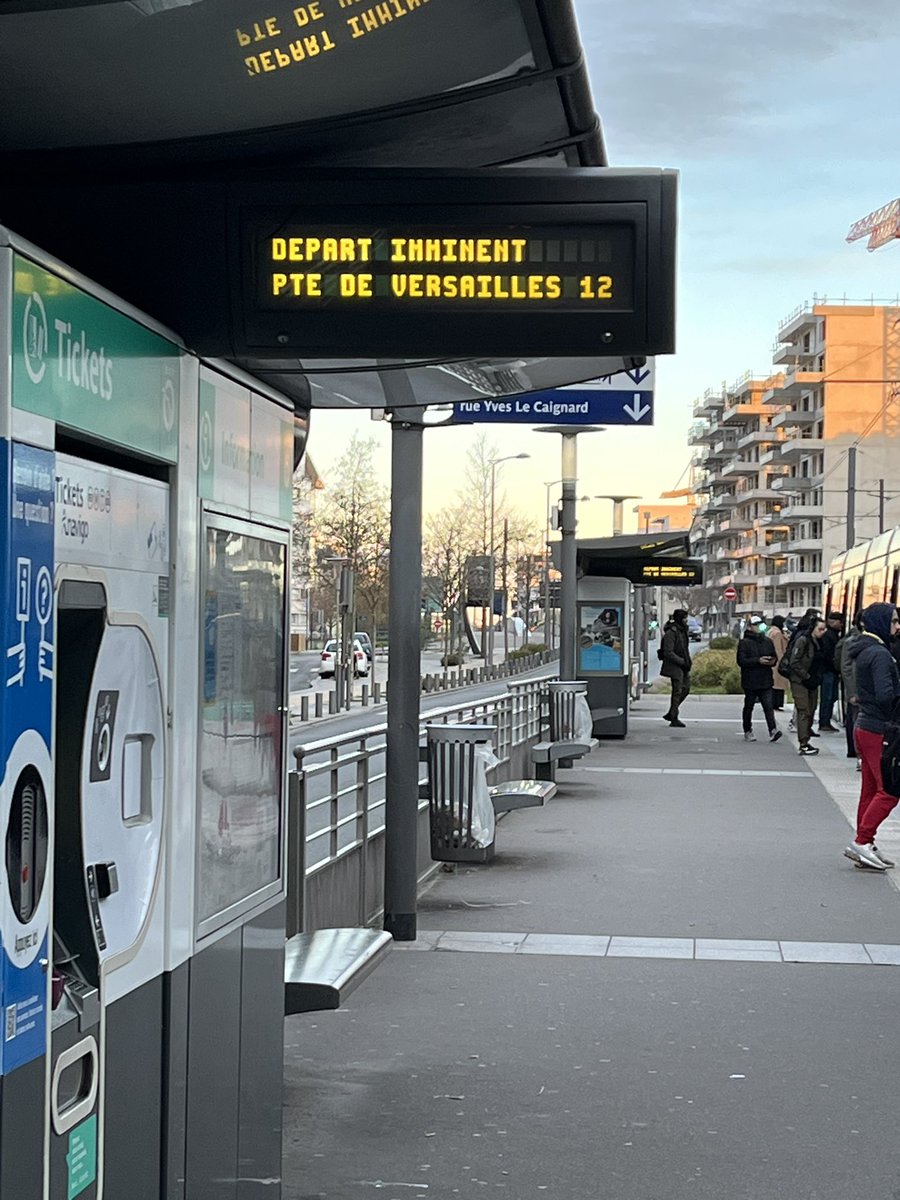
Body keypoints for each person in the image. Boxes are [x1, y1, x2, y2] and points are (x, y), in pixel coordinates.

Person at [843, 602, 900, 870]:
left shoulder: (865, 650)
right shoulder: (880, 654)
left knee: (870, 789)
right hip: (879, 728)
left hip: (865, 725)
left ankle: (865, 843)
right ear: (881, 623)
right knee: (890, 789)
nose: (897, 627)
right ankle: (862, 841)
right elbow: (886, 695)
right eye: (894, 621)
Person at [736, 616, 782, 742]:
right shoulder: (744, 642)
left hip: (765, 679)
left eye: (760, 624)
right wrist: (757, 660)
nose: (759, 627)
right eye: (756, 625)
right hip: (750, 680)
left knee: (768, 706)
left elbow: (774, 657)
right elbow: (741, 660)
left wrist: (771, 661)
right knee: (749, 706)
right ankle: (747, 730)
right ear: (750, 627)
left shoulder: (767, 641)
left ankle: (773, 730)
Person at [789, 617, 827, 755]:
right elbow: (794, 662)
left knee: (811, 709)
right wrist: (806, 676)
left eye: (824, 629)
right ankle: (803, 743)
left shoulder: (819, 642)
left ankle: (806, 739)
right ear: (813, 629)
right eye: (820, 629)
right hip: (800, 680)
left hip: (813, 681)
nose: (823, 632)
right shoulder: (803, 640)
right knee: (804, 710)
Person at [834, 613, 863, 765]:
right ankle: (856, 751)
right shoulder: (851, 641)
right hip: (856, 690)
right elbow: (845, 667)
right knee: (855, 717)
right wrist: (851, 692)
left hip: (860, 690)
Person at [660, 609, 692, 728]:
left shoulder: (683, 631)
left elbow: (684, 648)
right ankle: (674, 717)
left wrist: (687, 661)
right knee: (677, 691)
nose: (686, 620)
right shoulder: (671, 632)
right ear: (679, 618)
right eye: (684, 618)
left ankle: (671, 712)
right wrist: (682, 661)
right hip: (674, 665)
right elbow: (668, 652)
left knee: (686, 688)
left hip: (684, 665)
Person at [817, 611, 845, 732]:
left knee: (831, 697)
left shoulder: (833, 635)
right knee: (827, 697)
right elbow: (828, 655)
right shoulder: (829, 636)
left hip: (831, 671)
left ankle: (826, 721)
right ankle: (824, 722)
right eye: (840, 622)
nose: (842, 625)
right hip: (828, 671)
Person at [768, 615, 790, 710]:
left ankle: (774, 703)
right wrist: (782, 661)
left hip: (772, 661)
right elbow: (778, 649)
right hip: (778, 662)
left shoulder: (771, 631)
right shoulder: (777, 633)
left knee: (775, 684)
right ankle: (776, 703)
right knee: (778, 684)